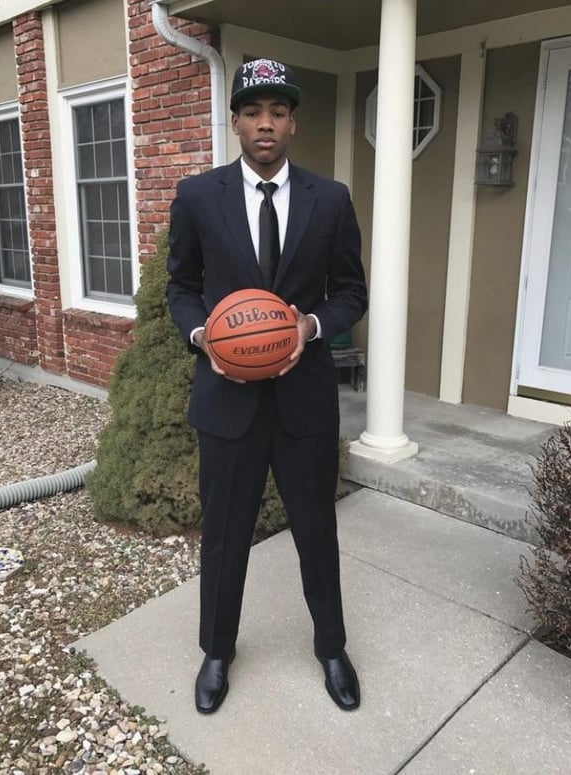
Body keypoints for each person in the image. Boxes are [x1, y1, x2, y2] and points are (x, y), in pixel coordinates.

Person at [166, 57, 368, 714]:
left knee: (316, 530)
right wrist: (204, 336)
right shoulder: (198, 196)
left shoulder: (329, 199)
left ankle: (331, 648)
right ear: (235, 122)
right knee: (224, 534)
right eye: (253, 112)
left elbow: (351, 292)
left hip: (304, 401)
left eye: (278, 112)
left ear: (292, 124)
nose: (265, 124)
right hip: (227, 401)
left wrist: (309, 325)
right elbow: (181, 288)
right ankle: (217, 652)